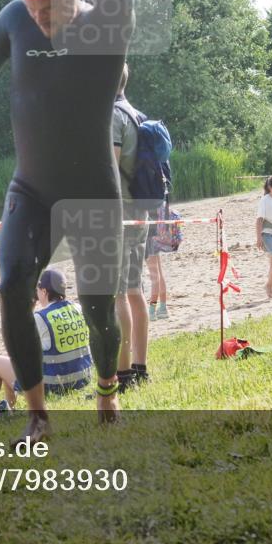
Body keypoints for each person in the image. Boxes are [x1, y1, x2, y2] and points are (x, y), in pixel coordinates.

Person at [0, 0, 134, 440]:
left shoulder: (106, 25)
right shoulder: (16, 18)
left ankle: (107, 389)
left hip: (93, 191)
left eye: (48, 11)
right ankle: (38, 415)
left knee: (99, 308)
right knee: (12, 284)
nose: (39, 20)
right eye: (33, 10)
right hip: (32, 187)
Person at [0, 269, 92, 418]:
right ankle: (9, 409)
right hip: (81, 379)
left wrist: (29, 307)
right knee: (11, 363)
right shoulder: (79, 309)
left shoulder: (41, 317)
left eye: (37, 289)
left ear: (44, 291)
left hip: (53, 386)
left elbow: (15, 347)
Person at [112, 64, 152, 390]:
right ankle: (140, 369)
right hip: (141, 209)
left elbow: (109, 169)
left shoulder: (113, 116)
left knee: (117, 294)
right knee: (135, 290)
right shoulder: (138, 115)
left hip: (118, 211)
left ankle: (123, 375)